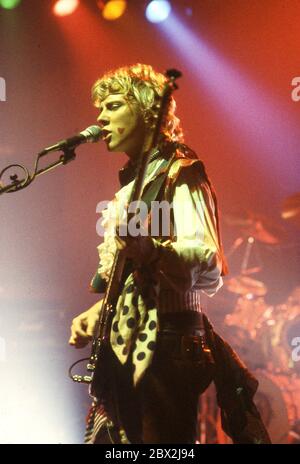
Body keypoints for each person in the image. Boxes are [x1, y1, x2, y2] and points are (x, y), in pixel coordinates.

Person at [69, 64, 271, 444]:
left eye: (113, 106)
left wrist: (153, 249)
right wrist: (100, 311)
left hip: (169, 341)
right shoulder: (131, 187)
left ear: (147, 110)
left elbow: (209, 261)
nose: (100, 117)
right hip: (129, 342)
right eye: (101, 108)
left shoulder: (183, 173)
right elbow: (133, 277)